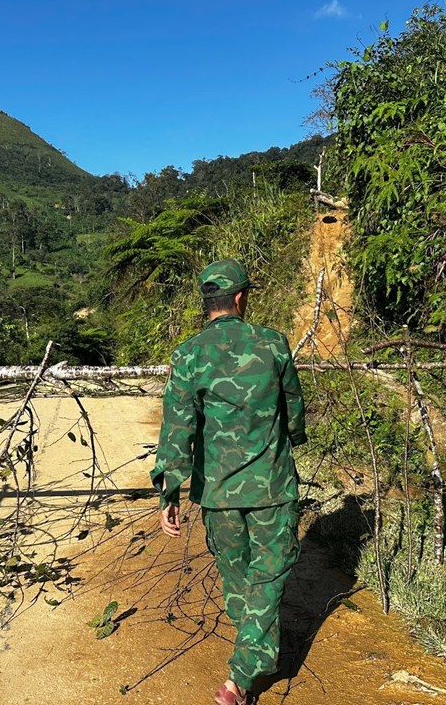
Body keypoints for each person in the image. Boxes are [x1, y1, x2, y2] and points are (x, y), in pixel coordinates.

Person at [151, 258, 307, 705]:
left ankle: (248, 661)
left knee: (238, 578)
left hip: (217, 493)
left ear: (209, 302)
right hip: (271, 486)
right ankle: (241, 677)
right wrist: (292, 437)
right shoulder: (273, 343)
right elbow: (293, 411)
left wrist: (169, 491)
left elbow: (177, 428)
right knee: (268, 577)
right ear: (240, 298)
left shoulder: (188, 354)